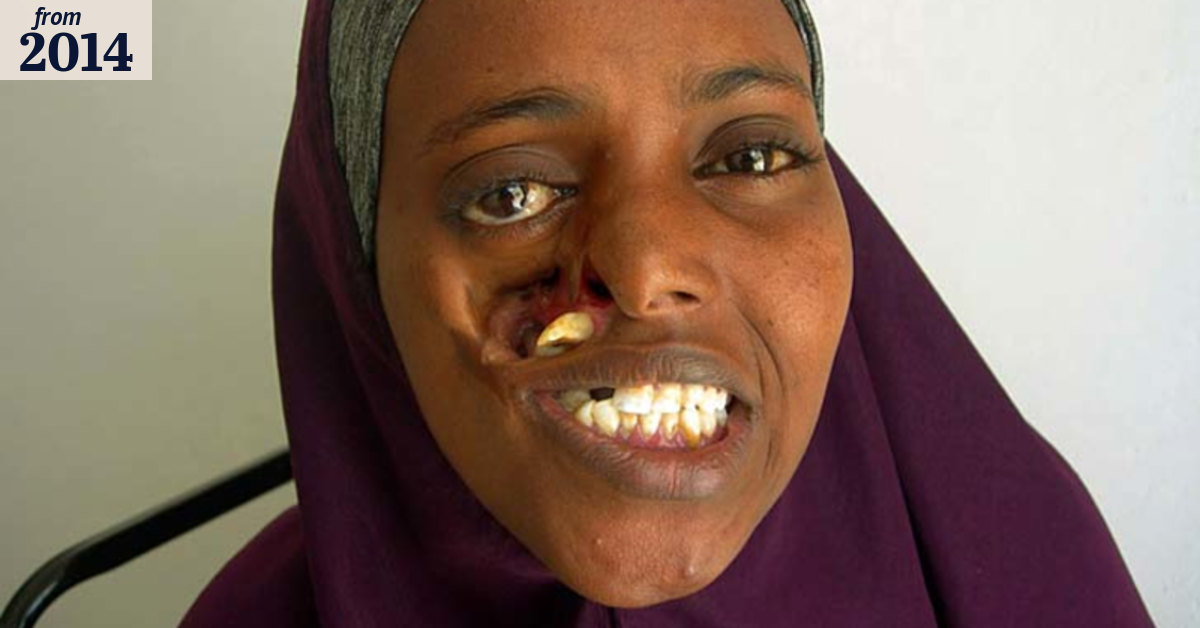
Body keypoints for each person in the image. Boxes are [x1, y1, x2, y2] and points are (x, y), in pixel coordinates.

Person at [182, 0, 1153, 625]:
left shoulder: (1016, 562)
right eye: (512, 192)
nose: (647, 272)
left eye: (749, 158)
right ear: (356, 265)